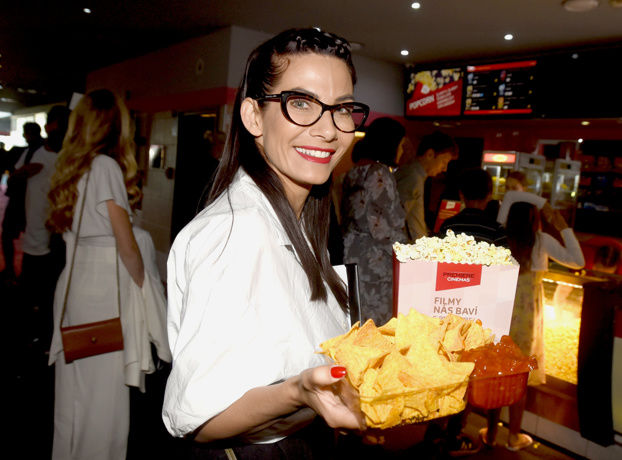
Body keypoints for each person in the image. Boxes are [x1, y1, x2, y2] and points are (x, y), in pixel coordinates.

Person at [162, 28, 368, 458]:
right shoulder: (236, 233)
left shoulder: (295, 219)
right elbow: (196, 420)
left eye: (342, 109)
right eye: (301, 104)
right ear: (253, 116)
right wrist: (298, 392)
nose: (329, 130)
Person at [47, 89, 170, 460]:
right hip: (103, 294)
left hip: (75, 287)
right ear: (117, 125)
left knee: (74, 397)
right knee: (103, 405)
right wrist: (148, 294)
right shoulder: (105, 167)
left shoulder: (74, 166)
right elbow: (126, 245)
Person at [479, 201, 584, 451]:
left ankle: (492, 432)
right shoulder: (541, 241)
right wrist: (563, 227)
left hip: (500, 310)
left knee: (497, 371)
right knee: (518, 374)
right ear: (535, 220)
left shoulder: (500, 238)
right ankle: (514, 435)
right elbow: (577, 261)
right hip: (527, 315)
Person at [341, 117, 407, 326]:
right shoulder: (379, 173)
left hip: (353, 254)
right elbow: (384, 226)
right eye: (401, 144)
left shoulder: (354, 171)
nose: (402, 150)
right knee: (379, 325)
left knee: (359, 321)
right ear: (390, 142)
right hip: (377, 261)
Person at [16, 106, 71, 346]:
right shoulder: (34, 152)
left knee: (53, 292)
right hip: (34, 235)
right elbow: (16, 175)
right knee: (28, 294)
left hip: (58, 237)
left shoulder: (71, 156)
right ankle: (29, 336)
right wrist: (26, 171)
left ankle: (48, 339)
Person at [1, 122, 45, 281]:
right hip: (29, 200)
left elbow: (23, 173)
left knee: (11, 235)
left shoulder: (33, 150)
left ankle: (13, 270)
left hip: (23, 200)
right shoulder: (36, 149)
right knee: (31, 238)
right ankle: (23, 273)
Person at [395, 131, 457, 241]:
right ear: (429, 154)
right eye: (444, 161)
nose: (444, 168)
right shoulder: (412, 177)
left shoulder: (414, 175)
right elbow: (396, 218)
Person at [439, 167, 508, 247]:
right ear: (489, 196)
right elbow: (507, 257)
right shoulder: (496, 230)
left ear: (461, 195)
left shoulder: (447, 226)